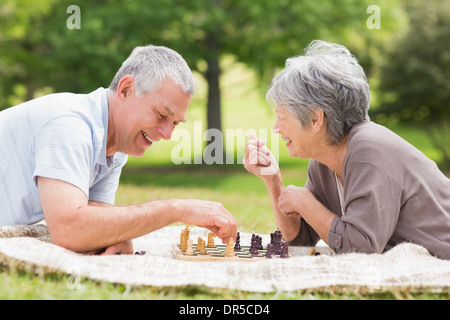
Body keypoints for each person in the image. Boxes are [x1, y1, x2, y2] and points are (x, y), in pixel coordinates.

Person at [0, 45, 236, 255]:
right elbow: (69, 229)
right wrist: (177, 209)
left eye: (175, 123)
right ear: (125, 89)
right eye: (162, 115)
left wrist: (117, 234)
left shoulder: (114, 145)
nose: (167, 134)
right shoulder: (69, 124)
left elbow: (95, 215)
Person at [244, 40, 450, 259]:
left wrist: (305, 203)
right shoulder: (323, 162)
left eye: (282, 116)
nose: (276, 128)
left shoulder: (369, 150)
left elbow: (361, 249)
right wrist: (273, 181)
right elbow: (300, 239)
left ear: (315, 119)